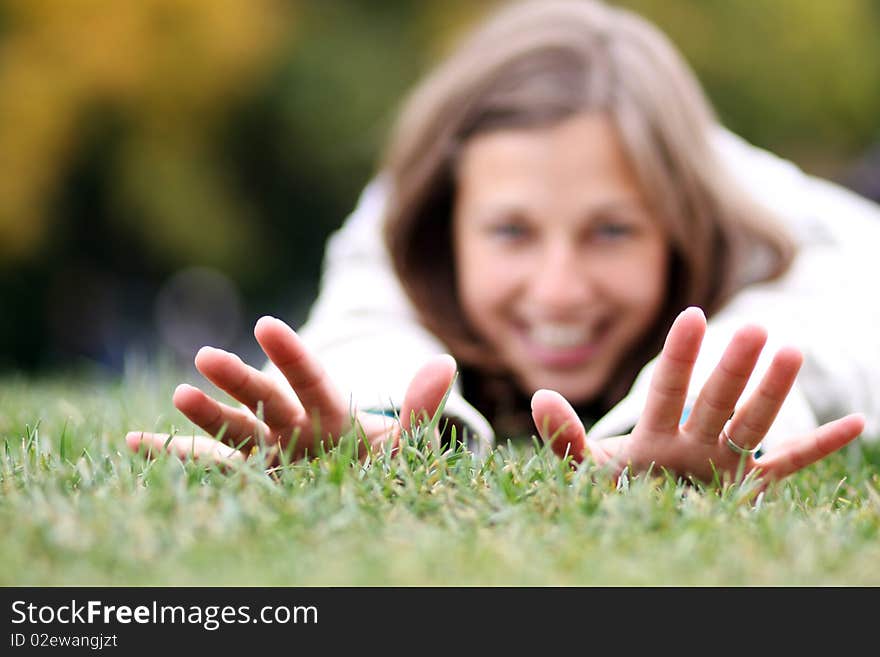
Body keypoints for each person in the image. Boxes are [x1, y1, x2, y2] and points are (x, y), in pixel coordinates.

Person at [127, 0, 879, 484]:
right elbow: (369, 326)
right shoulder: (401, 225)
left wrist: (683, 427)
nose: (558, 289)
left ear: (682, 228)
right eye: (512, 231)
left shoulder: (777, 232)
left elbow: (813, 336)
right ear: (445, 233)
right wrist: (373, 416)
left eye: (611, 230)